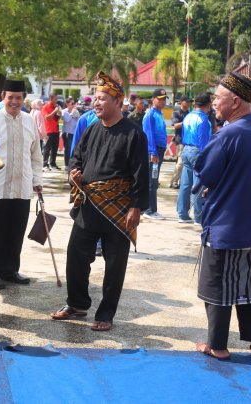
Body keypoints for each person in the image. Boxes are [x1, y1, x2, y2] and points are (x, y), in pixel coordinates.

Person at [51, 72, 148, 332]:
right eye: (95, 98)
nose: (97, 102)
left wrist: (136, 207)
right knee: (75, 255)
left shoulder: (133, 134)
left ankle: (106, 313)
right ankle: (77, 303)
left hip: (118, 209)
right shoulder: (92, 129)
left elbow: (141, 174)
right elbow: (75, 158)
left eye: (102, 98)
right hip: (89, 203)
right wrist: (74, 172)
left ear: (118, 101)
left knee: (114, 264)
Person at [193, 72, 251, 361]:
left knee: (217, 285)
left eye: (218, 98)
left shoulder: (228, 134)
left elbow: (205, 173)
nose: (214, 102)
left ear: (236, 101)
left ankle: (217, 345)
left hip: (225, 225)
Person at [0, 80, 43, 289]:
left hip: (21, 186)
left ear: (24, 99)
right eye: (10, 98)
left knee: (16, 231)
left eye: (18, 98)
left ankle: (10, 270)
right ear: (2, 98)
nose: (14, 102)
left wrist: (37, 180)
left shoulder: (29, 121)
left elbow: (36, 155)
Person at [176, 93, 212, 224]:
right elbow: (204, 142)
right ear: (208, 105)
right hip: (198, 151)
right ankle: (198, 216)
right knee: (199, 185)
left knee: (185, 184)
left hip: (186, 149)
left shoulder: (188, 116)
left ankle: (182, 214)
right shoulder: (204, 120)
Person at [142, 88, 168, 220]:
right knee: (152, 181)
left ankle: (149, 208)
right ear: (153, 100)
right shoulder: (150, 115)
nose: (163, 101)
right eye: (160, 99)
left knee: (154, 180)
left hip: (159, 150)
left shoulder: (159, 113)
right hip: (154, 152)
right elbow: (148, 135)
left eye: (164, 99)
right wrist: (152, 152)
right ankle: (149, 209)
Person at [169, 97, 190, 189]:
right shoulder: (176, 113)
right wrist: (187, 122)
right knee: (180, 163)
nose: (188, 103)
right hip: (180, 140)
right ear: (181, 102)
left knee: (184, 163)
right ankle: (173, 181)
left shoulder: (189, 114)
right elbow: (175, 126)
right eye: (186, 101)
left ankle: (181, 181)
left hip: (188, 141)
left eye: (189, 102)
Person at [42, 94, 62, 170]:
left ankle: (53, 163)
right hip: (49, 130)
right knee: (47, 148)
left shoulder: (55, 107)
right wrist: (54, 111)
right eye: (55, 99)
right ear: (51, 99)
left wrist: (59, 113)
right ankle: (45, 164)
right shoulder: (45, 107)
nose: (56, 101)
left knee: (55, 148)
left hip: (56, 130)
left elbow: (57, 118)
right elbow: (47, 118)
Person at [61, 98, 80, 170]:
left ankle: (72, 164)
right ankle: (66, 165)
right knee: (68, 149)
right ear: (67, 104)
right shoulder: (64, 111)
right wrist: (72, 113)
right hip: (67, 133)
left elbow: (77, 120)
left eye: (73, 103)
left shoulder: (75, 111)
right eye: (72, 103)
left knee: (74, 149)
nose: (73, 105)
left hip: (73, 132)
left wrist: (77, 115)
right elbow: (67, 119)